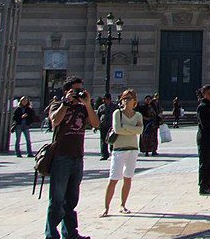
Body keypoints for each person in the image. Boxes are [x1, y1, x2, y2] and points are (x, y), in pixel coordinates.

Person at [44, 76, 100, 239]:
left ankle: (71, 234)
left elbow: (95, 124)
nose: (78, 92)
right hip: (61, 157)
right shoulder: (57, 104)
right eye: (75, 90)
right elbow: (55, 120)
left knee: (71, 200)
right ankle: (51, 235)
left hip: (77, 157)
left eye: (80, 89)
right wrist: (66, 103)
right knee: (57, 200)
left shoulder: (83, 108)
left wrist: (88, 104)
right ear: (67, 91)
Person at [102, 89, 143, 217]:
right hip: (118, 150)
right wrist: (132, 129)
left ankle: (123, 205)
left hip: (133, 149)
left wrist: (125, 127)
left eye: (129, 98)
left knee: (128, 178)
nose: (126, 100)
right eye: (124, 98)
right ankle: (106, 208)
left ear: (134, 101)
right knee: (113, 179)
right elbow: (117, 129)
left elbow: (140, 130)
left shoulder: (138, 115)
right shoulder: (117, 113)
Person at [96, 94, 115, 161]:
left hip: (112, 126)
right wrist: (96, 126)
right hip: (103, 125)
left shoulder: (114, 107)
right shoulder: (101, 107)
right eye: (103, 99)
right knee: (103, 140)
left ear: (109, 99)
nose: (104, 100)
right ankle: (104, 155)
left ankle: (113, 154)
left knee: (112, 140)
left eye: (105, 99)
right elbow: (98, 116)